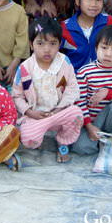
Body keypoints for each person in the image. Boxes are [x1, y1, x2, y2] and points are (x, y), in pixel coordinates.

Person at [13, 17, 83, 162]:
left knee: (76, 113)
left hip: (59, 113)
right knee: (28, 139)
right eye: (40, 43)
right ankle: (39, 132)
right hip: (36, 115)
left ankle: (63, 143)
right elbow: (17, 95)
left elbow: (72, 87)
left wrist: (59, 109)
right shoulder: (25, 68)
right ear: (31, 45)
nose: (47, 49)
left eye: (53, 44)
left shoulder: (64, 62)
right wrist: (30, 112)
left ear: (59, 44)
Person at [72, 26, 112, 155]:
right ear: (96, 48)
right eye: (104, 48)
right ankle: (101, 140)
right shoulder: (85, 72)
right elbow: (80, 102)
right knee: (81, 148)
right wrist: (89, 126)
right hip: (93, 122)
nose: (108, 53)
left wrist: (109, 93)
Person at [60, 0, 112, 72]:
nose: (93, 4)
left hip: (103, 77)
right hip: (75, 80)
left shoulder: (108, 22)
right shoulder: (65, 27)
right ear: (77, 0)